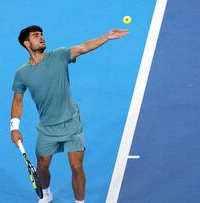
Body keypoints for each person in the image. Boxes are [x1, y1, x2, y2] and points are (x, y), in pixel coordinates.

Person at [10, 25, 128, 203]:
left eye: (42, 34)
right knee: (42, 166)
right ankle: (47, 194)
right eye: (36, 36)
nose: (41, 37)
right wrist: (14, 127)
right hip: (47, 128)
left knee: (76, 166)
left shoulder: (59, 55)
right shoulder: (22, 73)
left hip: (71, 123)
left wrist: (106, 37)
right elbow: (18, 100)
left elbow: (83, 47)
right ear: (27, 43)